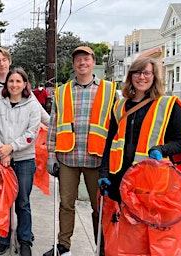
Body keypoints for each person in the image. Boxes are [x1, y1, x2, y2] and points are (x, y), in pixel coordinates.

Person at [99, 57, 181, 253]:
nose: (142, 77)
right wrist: (104, 173)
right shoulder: (119, 106)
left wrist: (161, 150)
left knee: (153, 236)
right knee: (127, 236)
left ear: (154, 77)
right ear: (130, 77)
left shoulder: (169, 105)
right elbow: (110, 141)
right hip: (121, 179)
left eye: (147, 73)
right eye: (137, 73)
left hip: (152, 184)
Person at [44, 46, 117, 256]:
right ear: (74, 64)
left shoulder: (110, 90)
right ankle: (63, 246)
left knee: (99, 208)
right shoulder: (62, 91)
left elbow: (118, 126)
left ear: (93, 62)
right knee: (66, 205)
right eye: (78, 60)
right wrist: (51, 154)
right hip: (68, 157)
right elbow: (54, 125)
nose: (82, 63)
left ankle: (102, 248)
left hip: (98, 159)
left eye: (86, 59)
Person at [0, 68, 41, 256]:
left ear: (25, 84)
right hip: (1, 160)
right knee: (3, 199)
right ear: (6, 84)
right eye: (11, 81)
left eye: (19, 81)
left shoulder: (32, 106)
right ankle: (3, 237)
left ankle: (24, 239)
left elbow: (31, 134)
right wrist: (2, 151)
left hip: (24, 160)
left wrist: (11, 148)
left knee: (22, 201)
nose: (14, 85)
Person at [0, 48, 49, 163]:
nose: (2, 64)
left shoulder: (20, 86)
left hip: (18, 140)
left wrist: (55, 126)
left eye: (4, 60)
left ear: (9, 61)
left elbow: (39, 110)